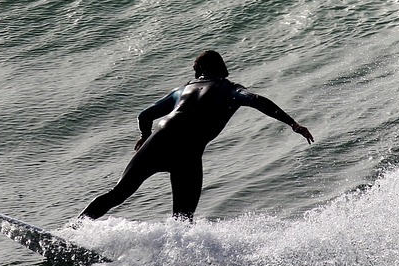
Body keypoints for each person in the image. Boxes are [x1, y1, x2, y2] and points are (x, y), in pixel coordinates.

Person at [80, 50, 313, 221]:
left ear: (199, 71)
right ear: (222, 69)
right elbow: (257, 101)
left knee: (117, 193)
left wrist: (145, 136)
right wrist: (292, 123)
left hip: (159, 142)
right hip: (188, 153)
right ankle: (177, 264)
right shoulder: (230, 90)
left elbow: (144, 115)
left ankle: (73, 229)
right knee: (183, 218)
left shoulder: (181, 90)